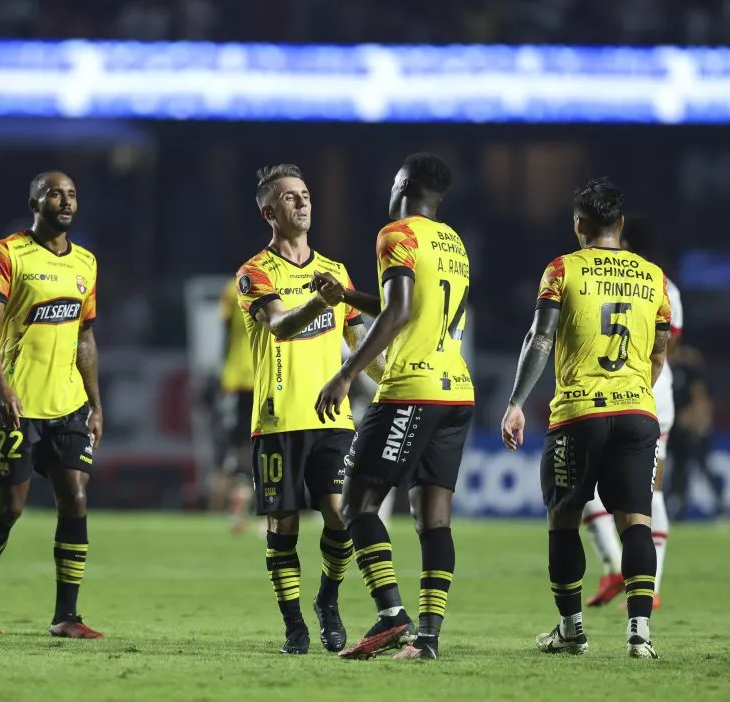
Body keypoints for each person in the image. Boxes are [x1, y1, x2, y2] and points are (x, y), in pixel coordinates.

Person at [500, 177, 671, 660]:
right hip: (637, 411)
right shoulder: (653, 277)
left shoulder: (562, 270)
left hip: (579, 413)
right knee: (636, 521)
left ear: (579, 225)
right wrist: (635, 390)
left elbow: (540, 338)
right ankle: (640, 633)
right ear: (619, 224)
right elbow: (659, 351)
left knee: (564, 520)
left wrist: (516, 401)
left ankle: (571, 630)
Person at [316, 153, 474, 662]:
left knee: (355, 504)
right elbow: (419, 309)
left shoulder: (396, 234)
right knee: (434, 517)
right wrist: (349, 297)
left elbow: (401, 311)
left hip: (413, 387)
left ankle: (390, 615)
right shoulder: (455, 243)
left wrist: (346, 373)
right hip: (456, 392)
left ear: (402, 184)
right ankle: (426, 638)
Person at [235, 163, 382, 655]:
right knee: (284, 525)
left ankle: (328, 599)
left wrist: (399, 379)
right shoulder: (254, 273)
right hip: (277, 420)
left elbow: (362, 347)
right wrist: (323, 300)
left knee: (340, 515)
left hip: (332, 419)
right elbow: (279, 326)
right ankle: (294, 625)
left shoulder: (336, 272)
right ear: (269, 211)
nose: (303, 203)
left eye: (306, 194)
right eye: (291, 197)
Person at [0, 171, 104, 639]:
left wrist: (95, 404)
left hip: (67, 406)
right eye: (55, 194)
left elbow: (86, 336)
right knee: (10, 508)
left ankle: (67, 615)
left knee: (76, 498)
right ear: (34, 202)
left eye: (71, 194)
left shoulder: (86, 262)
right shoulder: (7, 253)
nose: (65, 201)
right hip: (17, 406)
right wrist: (1, 388)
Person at [581, 217, 681, 609]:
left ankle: (647, 586)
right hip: (626, 392)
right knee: (599, 488)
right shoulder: (661, 284)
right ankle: (614, 570)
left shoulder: (656, 284)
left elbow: (661, 352)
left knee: (645, 492)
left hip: (644, 393)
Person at [213, 277, 256, 535]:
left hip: (237, 378)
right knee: (262, 445)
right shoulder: (277, 284)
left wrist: (223, 369)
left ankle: (234, 508)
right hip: (267, 379)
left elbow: (225, 333)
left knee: (234, 445)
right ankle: (258, 507)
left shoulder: (231, 288)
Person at [668, 345, 726, 520]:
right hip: (677, 430)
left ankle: (721, 505)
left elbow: (700, 398)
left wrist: (697, 422)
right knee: (678, 469)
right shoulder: (669, 372)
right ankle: (679, 508)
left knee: (702, 466)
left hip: (692, 430)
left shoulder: (690, 371)